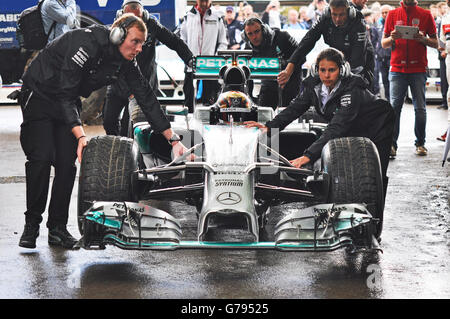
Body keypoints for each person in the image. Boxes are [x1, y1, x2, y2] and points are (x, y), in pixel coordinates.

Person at [17, 13, 188, 249]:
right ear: (119, 35)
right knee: (41, 159)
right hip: (40, 97)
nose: (139, 48)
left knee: (67, 165)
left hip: (66, 102)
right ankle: (31, 226)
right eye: (135, 41)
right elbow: (66, 93)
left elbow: (146, 97)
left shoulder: (125, 61)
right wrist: (80, 134)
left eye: (142, 43)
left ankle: (57, 229)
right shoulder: (85, 43)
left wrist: (173, 139)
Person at [245, 47, 394, 199]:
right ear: (317, 70)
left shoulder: (352, 89)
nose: (326, 75)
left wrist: (308, 156)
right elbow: (295, 108)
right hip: (351, 124)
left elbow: (337, 127)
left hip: (377, 124)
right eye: (322, 70)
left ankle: (375, 212)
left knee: (373, 173)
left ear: (342, 70)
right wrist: (270, 126)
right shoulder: (314, 86)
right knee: (347, 167)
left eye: (332, 70)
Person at [102, 0, 193, 136]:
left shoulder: (152, 25)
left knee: (129, 126)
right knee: (108, 120)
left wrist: (190, 59)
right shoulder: (117, 27)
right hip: (118, 83)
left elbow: (174, 41)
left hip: (141, 83)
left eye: (137, 19)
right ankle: (117, 145)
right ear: (122, 16)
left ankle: (127, 152)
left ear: (143, 16)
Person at [278, 0, 375, 93]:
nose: (337, 19)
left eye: (341, 14)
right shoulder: (324, 18)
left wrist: (350, 82)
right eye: (334, 14)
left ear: (348, 13)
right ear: (329, 12)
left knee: (357, 85)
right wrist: (288, 69)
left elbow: (358, 59)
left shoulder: (357, 19)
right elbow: (306, 42)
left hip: (362, 57)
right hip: (338, 55)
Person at [382, 0, 438, 157]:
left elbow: (436, 42)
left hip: (418, 69)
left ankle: (420, 143)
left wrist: (423, 39)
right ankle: (392, 145)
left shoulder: (426, 14)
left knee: (420, 108)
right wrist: (392, 38)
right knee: (394, 108)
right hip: (397, 69)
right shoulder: (392, 14)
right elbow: (383, 43)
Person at [242, 17, 302, 109]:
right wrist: (249, 96)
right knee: (264, 114)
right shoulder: (248, 48)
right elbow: (245, 73)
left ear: (264, 30)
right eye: (250, 34)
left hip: (291, 82)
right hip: (268, 84)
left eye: (257, 31)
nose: (254, 36)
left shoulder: (282, 37)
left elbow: (301, 57)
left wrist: (286, 67)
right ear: (246, 36)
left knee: (288, 115)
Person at [180, 0, 228, 111]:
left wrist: (216, 59)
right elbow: (182, 41)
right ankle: (190, 124)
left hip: (210, 65)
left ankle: (211, 124)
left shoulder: (218, 17)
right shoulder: (188, 16)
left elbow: (223, 42)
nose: (204, 2)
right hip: (191, 63)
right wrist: (186, 57)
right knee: (189, 100)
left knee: (210, 102)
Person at [374, 5, 392, 101]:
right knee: (385, 81)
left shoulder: (394, 24)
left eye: (387, 12)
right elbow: (375, 40)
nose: (385, 14)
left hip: (392, 58)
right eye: (383, 13)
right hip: (381, 58)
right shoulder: (378, 25)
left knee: (392, 81)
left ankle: (393, 100)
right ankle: (388, 100)